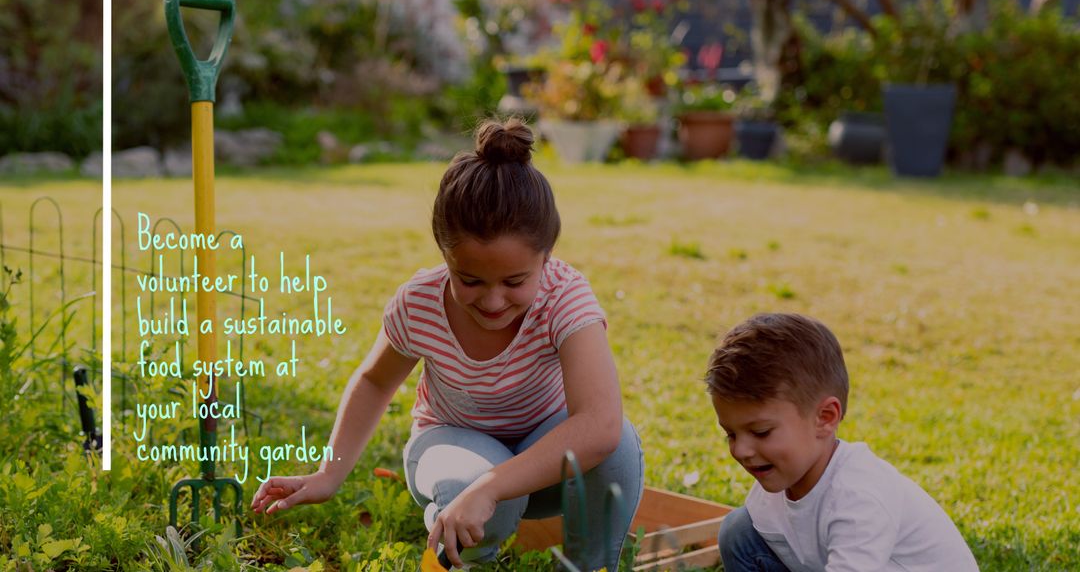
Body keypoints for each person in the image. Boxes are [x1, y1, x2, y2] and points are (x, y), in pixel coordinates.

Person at [251, 117, 644, 570]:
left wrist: (493, 486)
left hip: (545, 455)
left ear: (547, 255)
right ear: (445, 255)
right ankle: (466, 559)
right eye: (470, 279)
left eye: (515, 280)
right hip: (455, 442)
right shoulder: (419, 302)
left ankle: (587, 566)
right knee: (469, 483)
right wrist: (329, 472)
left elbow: (598, 424)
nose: (493, 301)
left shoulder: (565, 297)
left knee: (616, 448)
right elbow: (375, 382)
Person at [705, 312, 979, 572]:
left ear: (825, 418)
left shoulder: (858, 496)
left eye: (762, 432)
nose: (740, 450)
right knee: (739, 531)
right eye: (731, 434)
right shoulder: (778, 482)